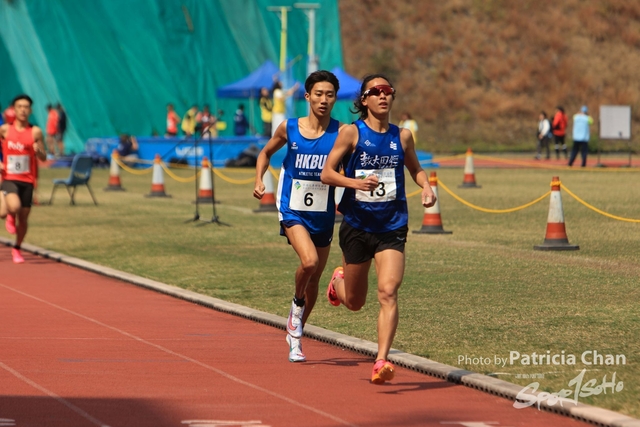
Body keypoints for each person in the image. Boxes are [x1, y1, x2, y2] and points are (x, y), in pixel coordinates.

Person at [320, 74, 437, 384]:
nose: (383, 96)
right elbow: (327, 174)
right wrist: (354, 183)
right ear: (364, 100)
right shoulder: (351, 133)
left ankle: (381, 360)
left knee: (388, 291)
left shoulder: (403, 136)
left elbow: (416, 169)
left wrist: (426, 187)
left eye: (388, 91)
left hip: (392, 226)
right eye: (376, 91)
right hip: (357, 226)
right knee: (355, 302)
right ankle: (337, 282)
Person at [253, 70, 343, 363]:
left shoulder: (342, 133)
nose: (324, 100)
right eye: (318, 94)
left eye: (329, 95)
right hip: (292, 208)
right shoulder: (289, 128)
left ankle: (295, 335)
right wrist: (259, 179)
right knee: (310, 262)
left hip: (323, 213)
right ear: (307, 97)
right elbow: (265, 154)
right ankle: (296, 304)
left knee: (315, 279)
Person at [0, 94, 47, 263]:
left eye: (26, 107)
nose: (23, 110)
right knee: (13, 207)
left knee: (24, 219)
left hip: (27, 180)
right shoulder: (5, 130)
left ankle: (17, 248)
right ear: (14, 109)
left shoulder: (35, 132)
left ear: (30, 110)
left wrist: (38, 151)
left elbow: (43, 158)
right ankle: (11, 213)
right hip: (9, 177)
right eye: (19, 106)